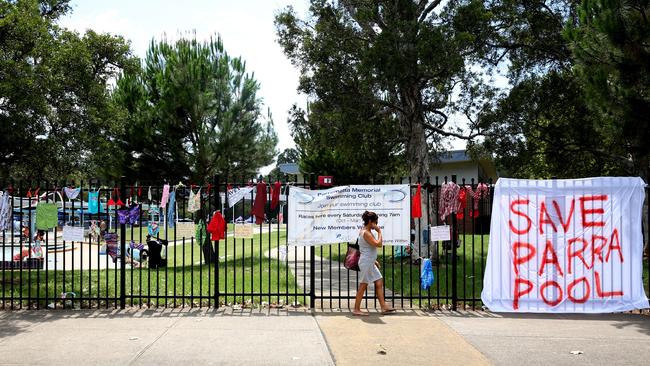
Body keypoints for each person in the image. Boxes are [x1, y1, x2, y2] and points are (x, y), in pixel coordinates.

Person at [353, 211, 396, 316]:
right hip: (366, 262)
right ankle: (356, 309)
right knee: (363, 285)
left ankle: (383, 307)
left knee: (379, 281)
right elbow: (378, 244)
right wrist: (379, 232)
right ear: (371, 221)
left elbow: (366, 247)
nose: (377, 224)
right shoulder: (366, 232)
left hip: (369, 261)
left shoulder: (365, 230)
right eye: (376, 222)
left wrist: (374, 260)